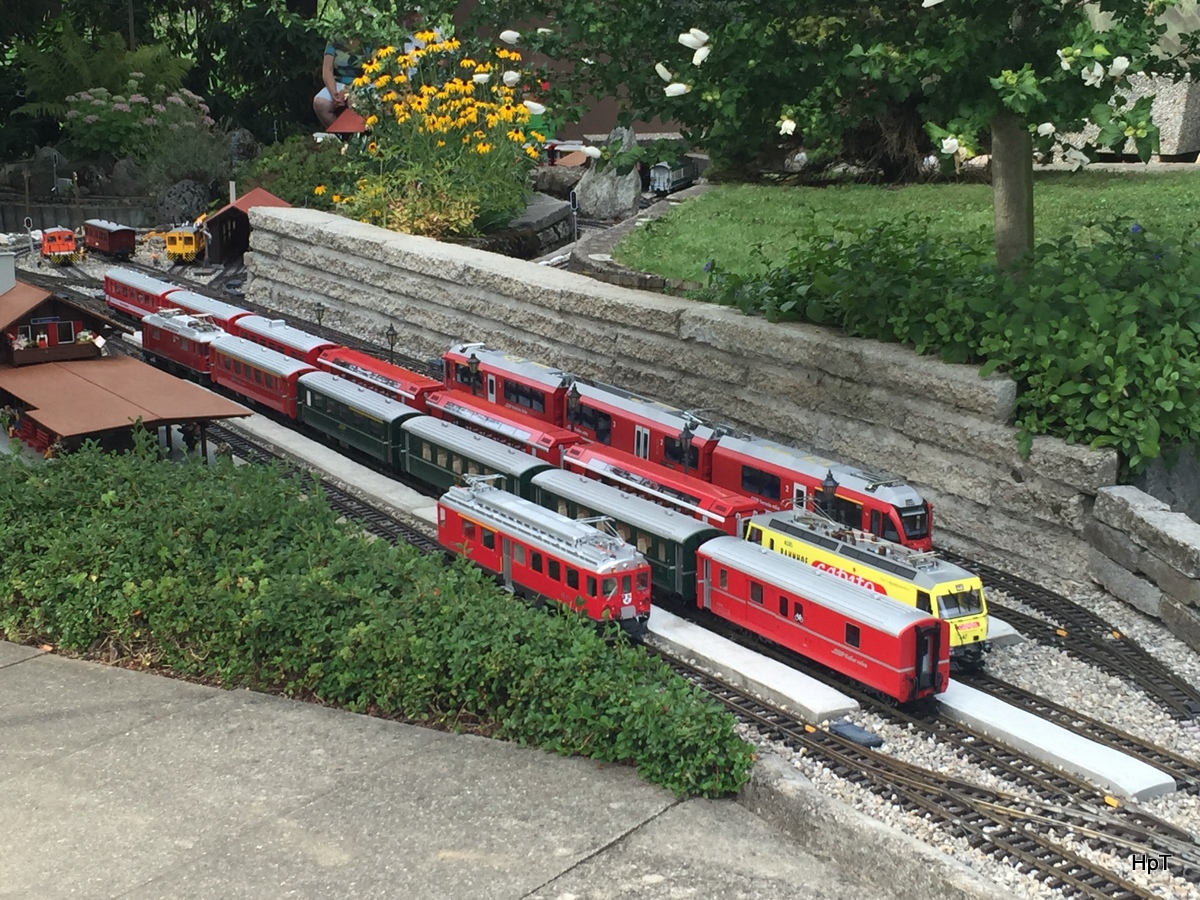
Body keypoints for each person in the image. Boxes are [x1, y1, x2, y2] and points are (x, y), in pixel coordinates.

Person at [313, 38, 365, 129]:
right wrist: (334, 93)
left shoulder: (369, 38)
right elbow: (327, 70)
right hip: (340, 81)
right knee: (320, 103)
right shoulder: (334, 38)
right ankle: (340, 134)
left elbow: (371, 73)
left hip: (364, 83)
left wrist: (348, 90)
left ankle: (360, 137)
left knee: (354, 102)